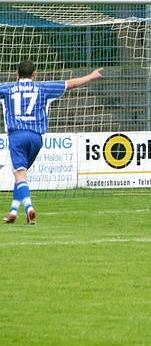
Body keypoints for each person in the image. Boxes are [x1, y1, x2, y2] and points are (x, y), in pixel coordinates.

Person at [1, 60, 103, 224]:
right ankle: (13, 211)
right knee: (21, 175)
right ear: (34, 74)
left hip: (17, 136)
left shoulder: (7, 89)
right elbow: (70, 84)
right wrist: (91, 76)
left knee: (20, 174)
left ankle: (29, 207)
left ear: (16, 74)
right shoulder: (43, 88)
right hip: (36, 138)